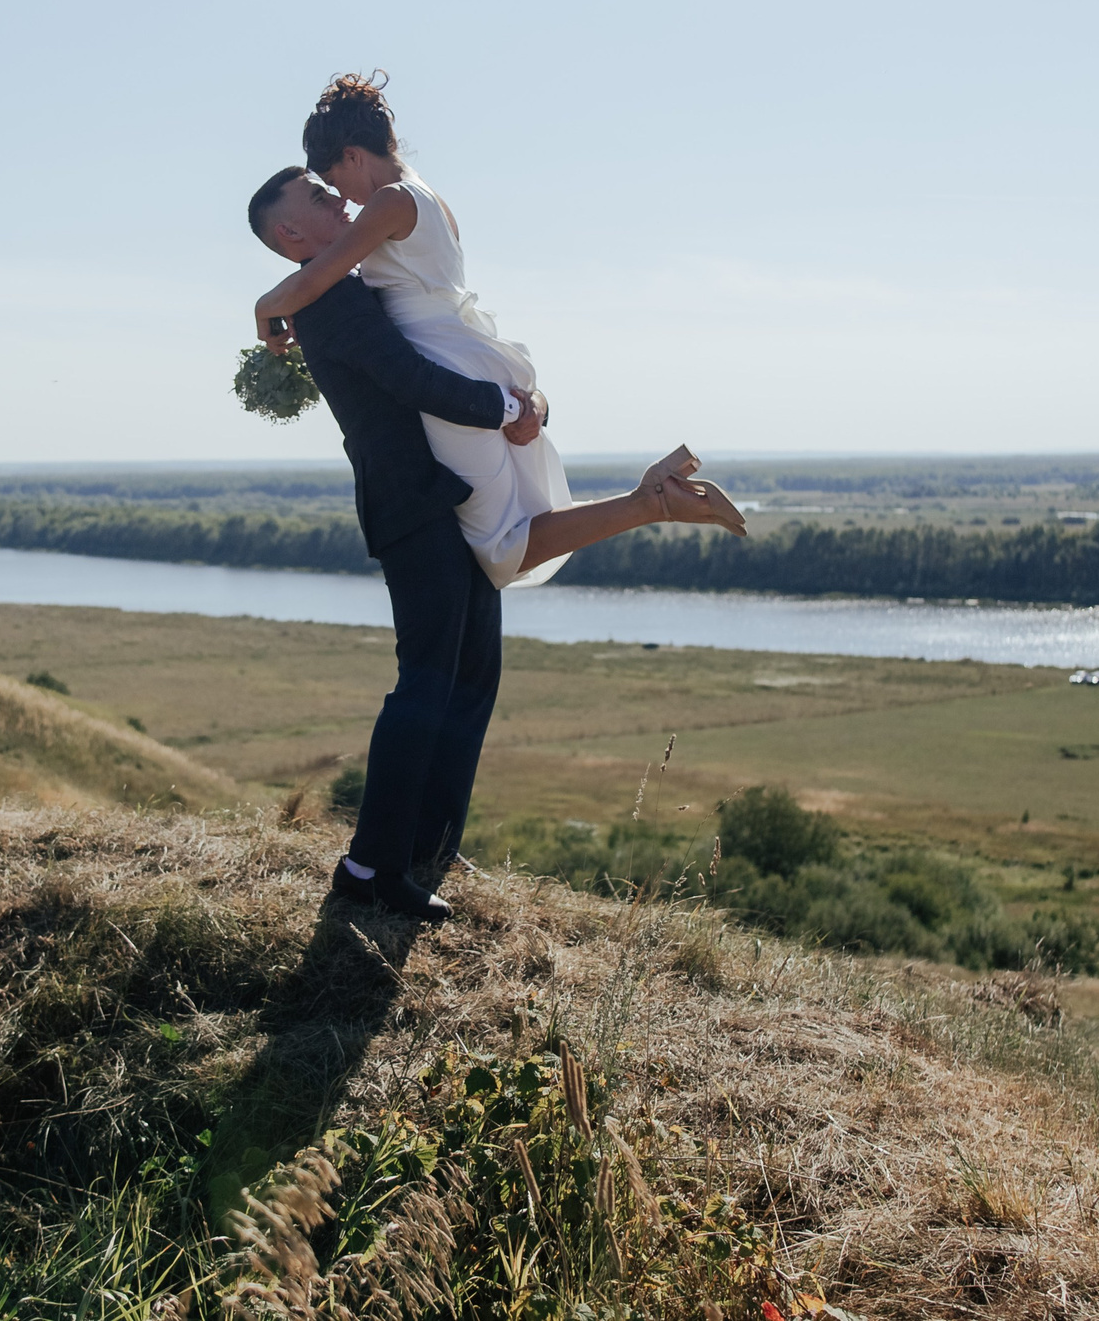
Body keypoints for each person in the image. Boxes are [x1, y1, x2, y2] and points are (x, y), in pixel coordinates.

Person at [247, 183, 742, 922]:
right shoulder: (328, 300)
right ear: (291, 231)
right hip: (412, 506)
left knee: (471, 681)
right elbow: (410, 378)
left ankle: (429, 850)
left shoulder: (331, 286)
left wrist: (528, 401)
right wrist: (510, 409)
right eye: (318, 195)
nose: (338, 199)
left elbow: (411, 331)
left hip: (443, 497)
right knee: (425, 685)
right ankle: (369, 866)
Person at [253, 73, 737, 590]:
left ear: (352, 156)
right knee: (512, 530)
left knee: (502, 548)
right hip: (474, 349)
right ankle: (650, 500)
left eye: (332, 179)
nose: (341, 198)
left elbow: (319, 275)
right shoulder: (426, 194)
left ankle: (652, 502)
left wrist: (264, 307)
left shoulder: (390, 201)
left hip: (446, 363)